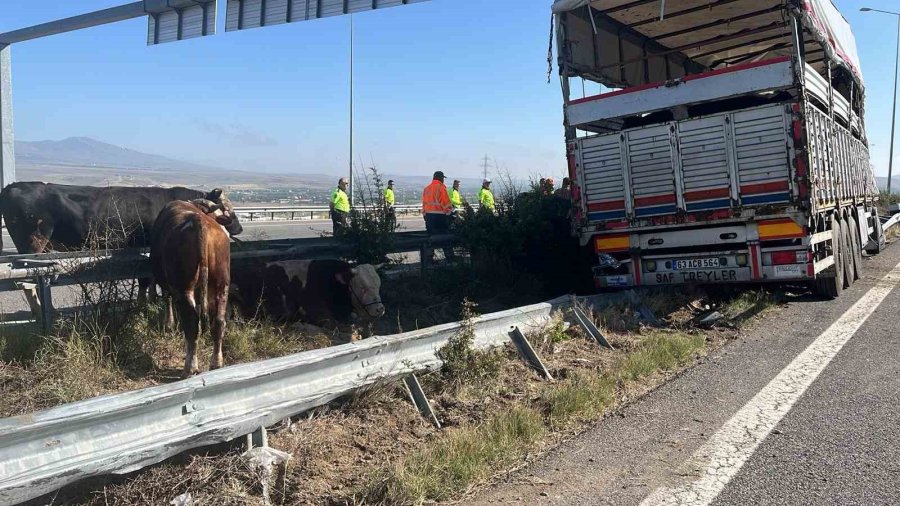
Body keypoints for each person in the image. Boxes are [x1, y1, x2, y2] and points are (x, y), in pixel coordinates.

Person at [422, 171, 454, 261]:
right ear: (441, 178)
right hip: (440, 217)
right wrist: (449, 214)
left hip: (429, 217)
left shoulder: (427, 188)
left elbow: (424, 204)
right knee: (445, 237)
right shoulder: (441, 188)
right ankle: (450, 257)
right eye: (443, 178)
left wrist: (425, 215)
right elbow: (446, 204)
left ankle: (428, 259)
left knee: (431, 238)